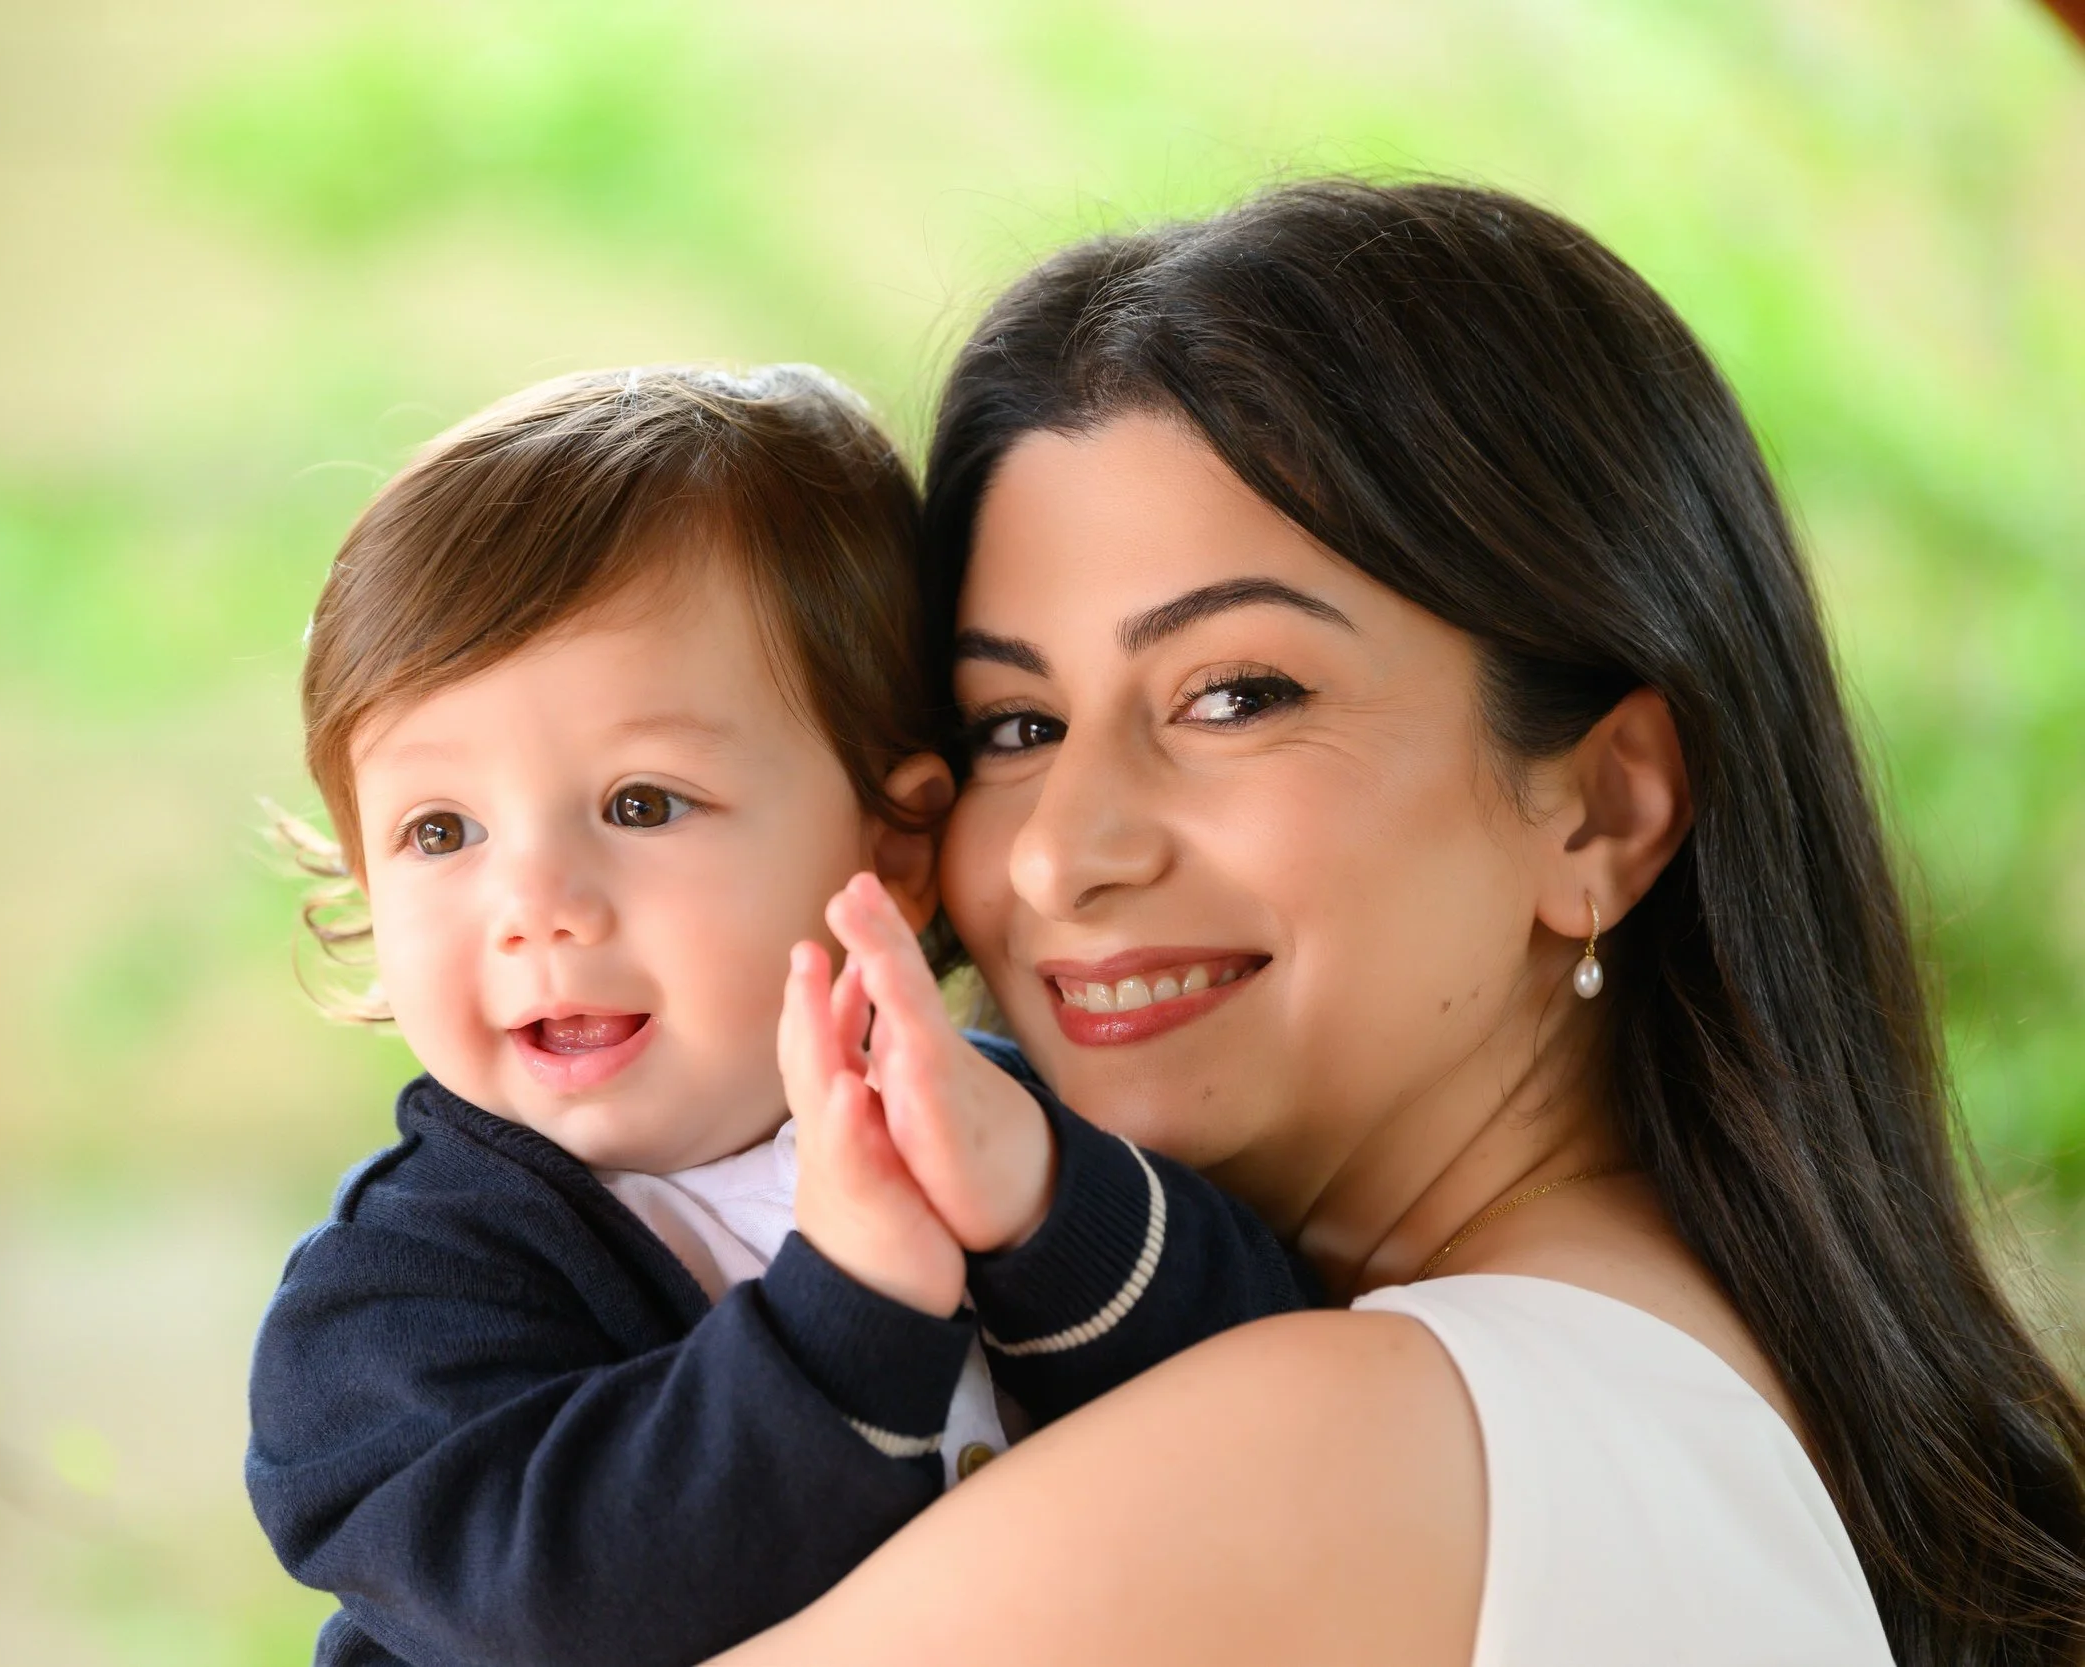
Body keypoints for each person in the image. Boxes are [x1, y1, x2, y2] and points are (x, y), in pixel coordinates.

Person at [714, 181, 2085, 1666]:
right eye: (1014, 722)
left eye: (1236, 695)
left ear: (1605, 808)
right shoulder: (1711, 1406)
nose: (1059, 856)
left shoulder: (1353, 1442)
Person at [241, 364, 1313, 1666]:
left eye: (641, 802)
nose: (534, 903)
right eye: (439, 829)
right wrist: (853, 1309)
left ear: (896, 846)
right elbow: (561, 1605)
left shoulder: (988, 1121)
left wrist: (1043, 1203)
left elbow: (1278, 1389)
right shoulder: (392, 1299)